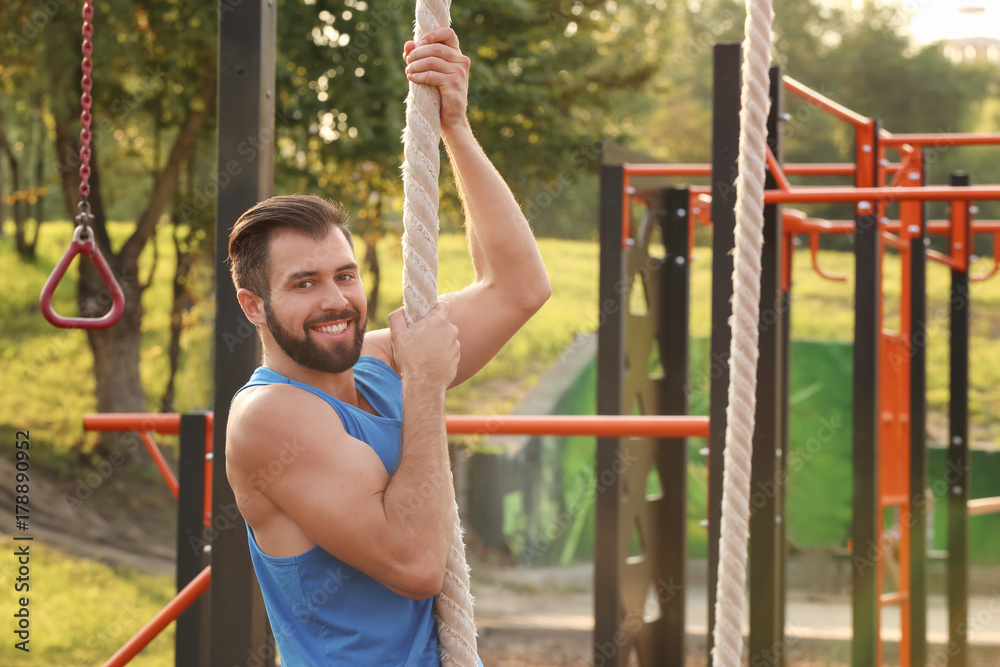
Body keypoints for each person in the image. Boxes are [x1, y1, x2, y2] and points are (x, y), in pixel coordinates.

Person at [225, 26, 551, 666]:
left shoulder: (380, 364)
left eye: (344, 275)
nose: (335, 300)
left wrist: (455, 127)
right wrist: (425, 386)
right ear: (253, 306)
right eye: (305, 283)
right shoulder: (270, 417)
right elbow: (415, 563)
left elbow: (517, 288)